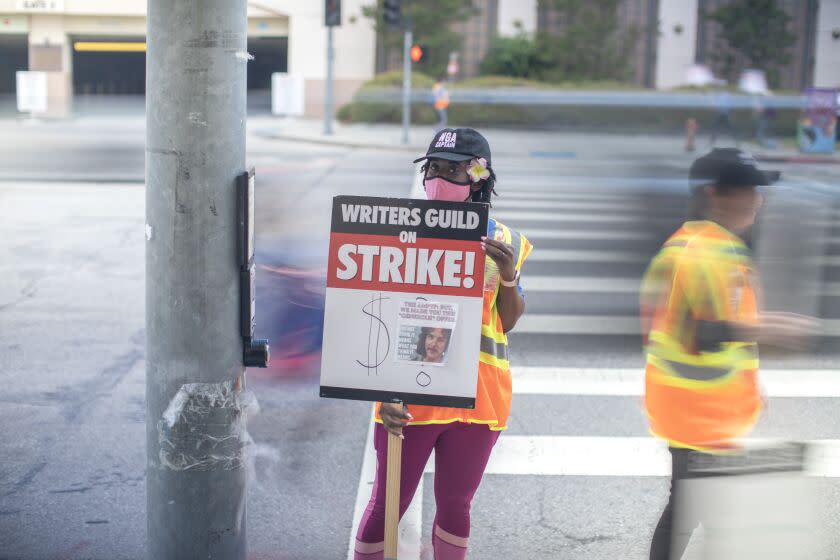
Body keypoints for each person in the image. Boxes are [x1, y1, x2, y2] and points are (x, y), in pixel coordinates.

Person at [353, 128, 533, 560]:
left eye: (452, 169)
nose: (438, 177)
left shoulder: (504, 242)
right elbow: (373, 315)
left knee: (456, 507)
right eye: (432, 167)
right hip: (411, 394)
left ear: (478, 175)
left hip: (477, 400)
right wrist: (385, 391)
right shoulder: (399, 232)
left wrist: (507, 277)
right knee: (386, 505)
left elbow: (505, 323)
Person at [641, 148, 818, 560]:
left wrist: (751, 384)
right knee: (695, 508)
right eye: (748, 190)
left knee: (703, 507)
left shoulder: (716, 246)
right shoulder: (703, 251)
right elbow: (698, 333)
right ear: (716, 195)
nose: (758, 200)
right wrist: (771, 328)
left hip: (704, 407)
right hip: (693, 410)